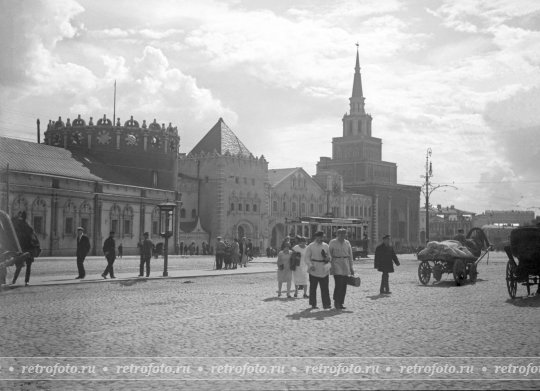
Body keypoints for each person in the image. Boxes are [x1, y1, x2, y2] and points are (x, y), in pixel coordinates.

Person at [11, 211, 40, 286]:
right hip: (29, 248)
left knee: (20, 266)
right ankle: (26, 281)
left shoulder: (19, 224)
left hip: (22, 248)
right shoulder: (28, 226)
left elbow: (12, 221)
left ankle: (14, 280)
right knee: (28, 266)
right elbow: (33, 237)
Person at [305, 231, 331, 309]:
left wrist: (328, 258)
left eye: (322, 237)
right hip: (314, 268)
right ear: (316, 237)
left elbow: (330, 256)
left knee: (325, 288)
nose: (321, 239)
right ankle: (313, 304)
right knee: (313, 288)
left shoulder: (326, 246)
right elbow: (306, 258)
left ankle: (326, 304)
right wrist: (310, 265)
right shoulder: (311, 246)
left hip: (324, 268)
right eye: (319, 237)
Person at [329, 228, 355, 310]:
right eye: (340, 234)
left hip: (345, 264)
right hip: (336, 263)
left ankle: (341, 302)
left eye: (343, 234)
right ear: (337, 234)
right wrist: (330, 266)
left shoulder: (347, 243)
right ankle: (336, 301)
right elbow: (329, 254)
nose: (342, 236)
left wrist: (351, 267)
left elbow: (350, 256)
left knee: (344, 285)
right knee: (339, 283)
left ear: (346, 235)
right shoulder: (332, 242)